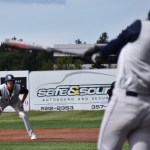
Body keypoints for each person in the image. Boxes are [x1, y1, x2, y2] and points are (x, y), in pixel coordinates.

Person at [84, 11, 150, 150]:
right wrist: (100, 50)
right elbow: (128, 51)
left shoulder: (142, 27)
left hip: (126, 101)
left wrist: (98, 56)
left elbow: (119, 41)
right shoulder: (138, 43)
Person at [0, 74, 36, 140]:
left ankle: (32, 134)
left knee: (23, 115)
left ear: (14, 82)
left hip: (15, 102)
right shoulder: (1, 88)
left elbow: (26, 91)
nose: (10, 83)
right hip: (3, 101)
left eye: (12, 81)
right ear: (6, 82)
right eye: (9, 81)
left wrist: (22, 101)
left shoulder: (18, 87)